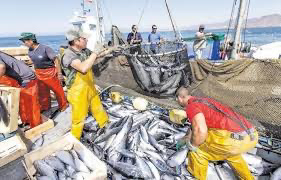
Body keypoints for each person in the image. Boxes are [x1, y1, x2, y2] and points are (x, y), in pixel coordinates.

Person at [174, 87, 258, 180]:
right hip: (250, 136)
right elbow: (195, 125)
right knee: (230, 154)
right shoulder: (204, 100)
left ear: (180, 98)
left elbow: (200, 130)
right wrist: (186, 136)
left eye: (176, 99)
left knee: (198, 152)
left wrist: (192, 145)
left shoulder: (191, 107)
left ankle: (198, 178)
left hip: (233, 142)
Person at [62, 29, 113, 140]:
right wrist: (95, 52)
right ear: (76, 41)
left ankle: (105, 125)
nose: (87, 40)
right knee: (79, 117)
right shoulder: (68, 55)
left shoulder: (84, 51)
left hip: (89, 86)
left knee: (98, 107)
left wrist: (108, 51)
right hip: (77, 92)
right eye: (84, 38)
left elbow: (95, 57)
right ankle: (75, 139)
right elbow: (83, 68)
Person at [19, 32, 68, 113]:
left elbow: (56, 60)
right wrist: (27, 63)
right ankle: (45, 106)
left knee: (57, 90)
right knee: (42, 92)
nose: (24, 44)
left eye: (25, 41)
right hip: (39, 73)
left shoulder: (45, 48)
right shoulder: (30, 50)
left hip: (50, 72)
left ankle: (63, 105)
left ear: (31, 40)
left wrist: (59, 74)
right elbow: (34, 60)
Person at [0, 52, 42, 128]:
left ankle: (35, 125)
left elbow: (2, 67)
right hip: (21, 78)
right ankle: (26, 122)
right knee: (22, 102)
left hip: (27, 79)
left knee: (31, 104)